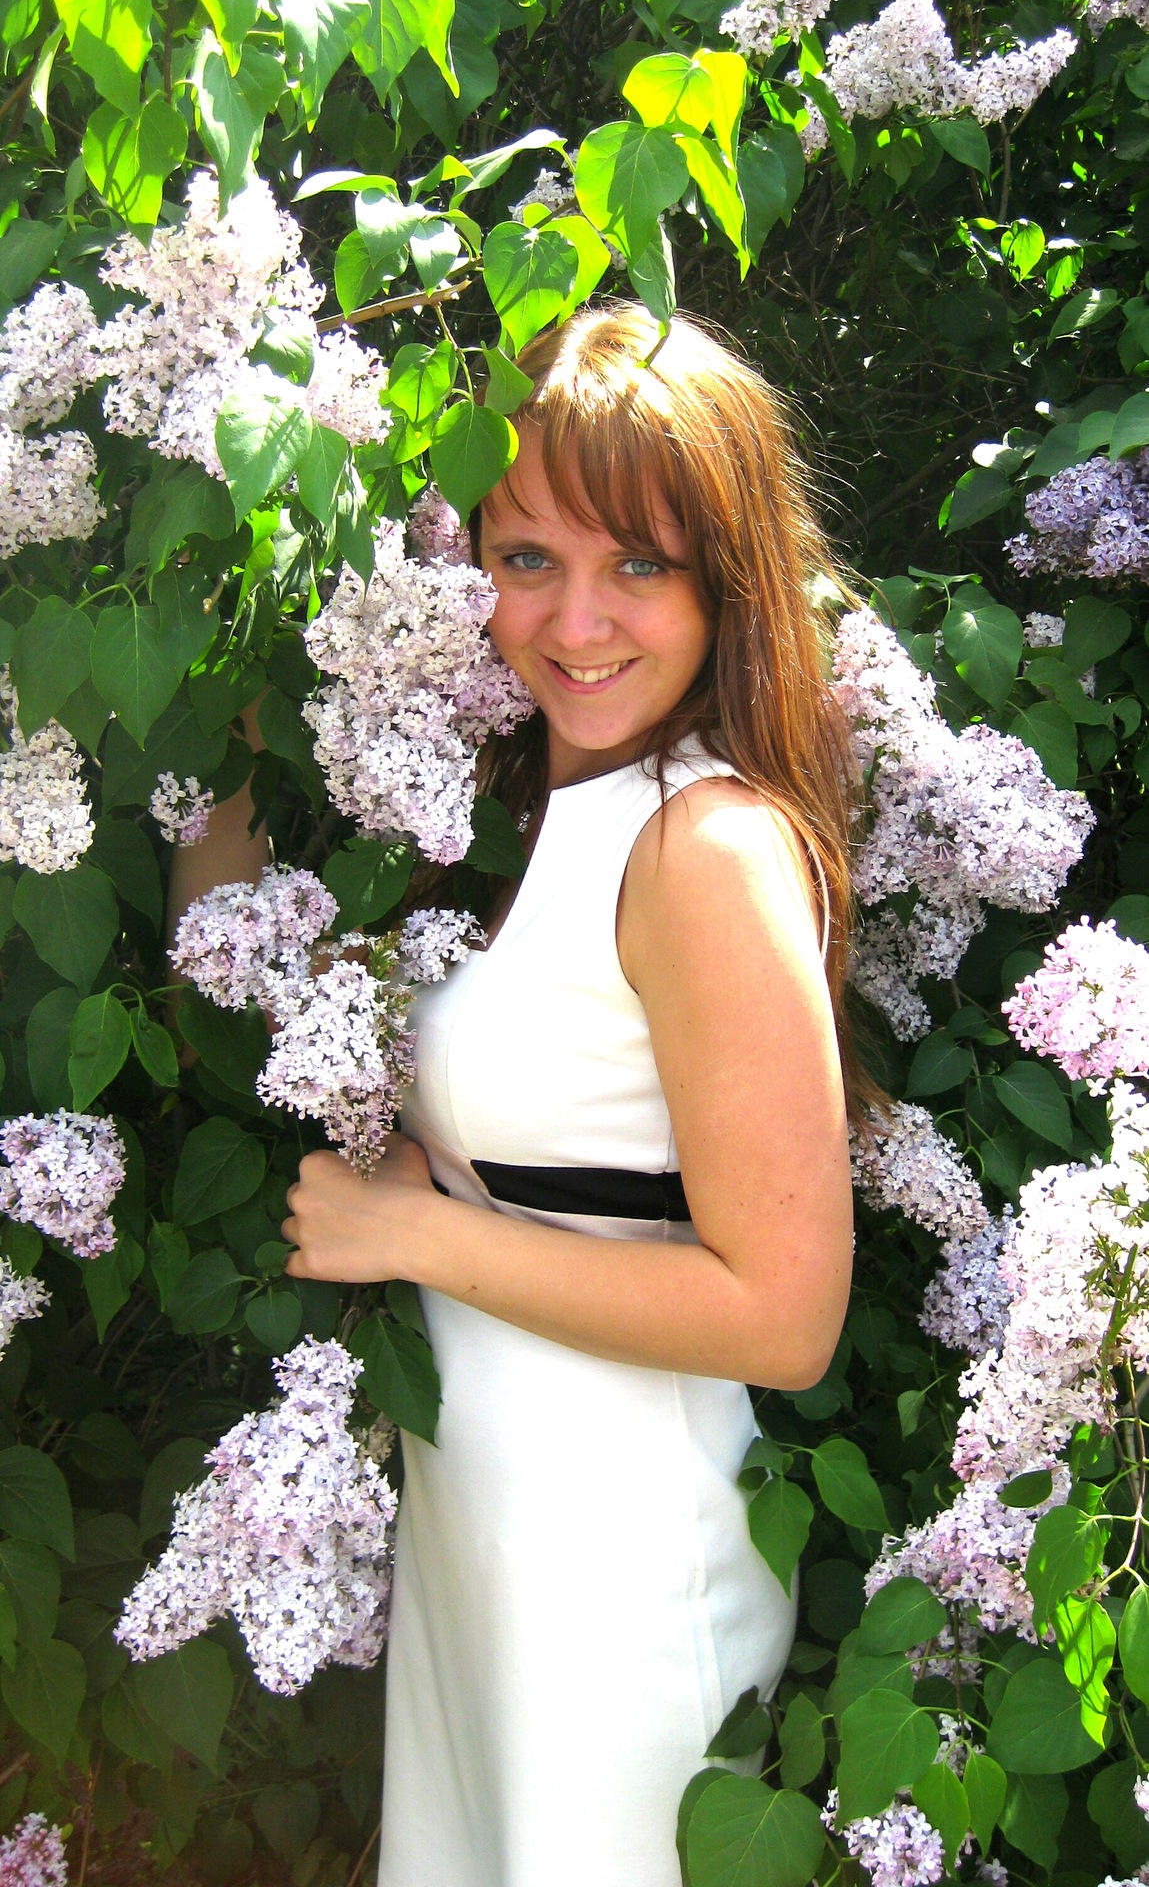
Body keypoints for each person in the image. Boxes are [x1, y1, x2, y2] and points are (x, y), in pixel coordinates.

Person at [174, 302, 858, 1887]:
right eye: (526, 557)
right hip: (498, 1542)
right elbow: (256, 985)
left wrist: (415, 1235)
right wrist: (234, 711)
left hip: (616, 1573)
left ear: (724, 584)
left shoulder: (702, 846)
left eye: (642, 565)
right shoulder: (542, 809)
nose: (575, 620)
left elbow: (783, 1316)